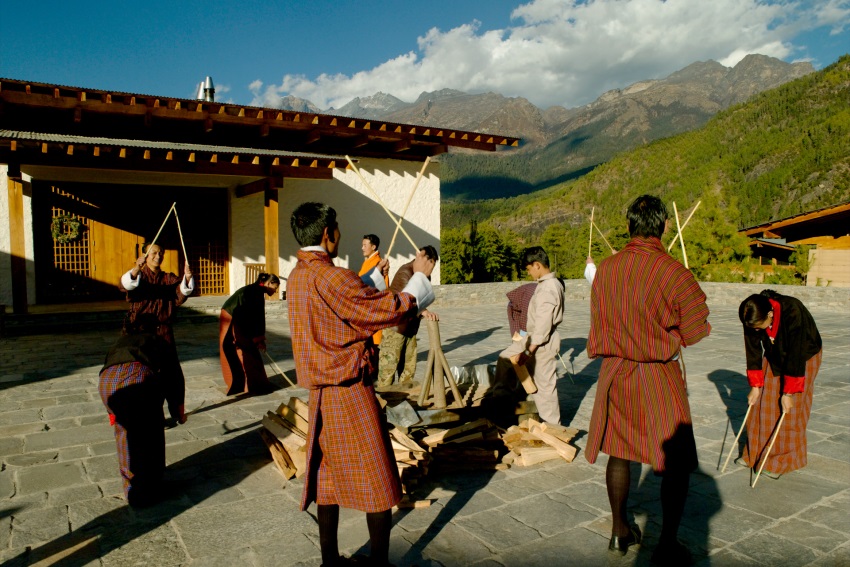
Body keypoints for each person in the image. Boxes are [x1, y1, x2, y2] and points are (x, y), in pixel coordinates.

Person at [287, 202, 435, 567]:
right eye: (336, 228)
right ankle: (380, 564)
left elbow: (340, 305)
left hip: (321, 394)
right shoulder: (333, 277)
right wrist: (418, 278)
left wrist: (368, 280)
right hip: (349, 390)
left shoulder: (298, 276)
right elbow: (382, 310)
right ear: (328, 234)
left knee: (327, 479)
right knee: (377, 478)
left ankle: (329, 561)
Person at [585, 195, 711, 565]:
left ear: (628, 227)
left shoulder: (605, 269)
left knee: (619, 450)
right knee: (675, 459)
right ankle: (667, 542)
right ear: (665, 227)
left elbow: (601, 317)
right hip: (658, 374)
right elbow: (695, 330)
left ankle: (619, 530)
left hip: (615, 372)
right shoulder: (675, 272)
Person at [737, 290, 822, 478]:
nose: (757, 331)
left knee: (789, 410)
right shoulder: (749, 313)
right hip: (775, 354)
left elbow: (795, 352)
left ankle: (781, 460)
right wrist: (755, 385)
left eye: (760, 327)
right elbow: (752, 349)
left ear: (770, 314)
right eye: (754, 328)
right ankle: (755, 454)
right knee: (761, 404)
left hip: (803, 356)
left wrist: (788, 392)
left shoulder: (793, 310)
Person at [99, 314, 168, 507]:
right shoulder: (156, 340)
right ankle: (150, 485)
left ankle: (130, 489)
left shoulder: (120, 342)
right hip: (137, 378)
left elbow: (107, 367)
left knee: (124, 432)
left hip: (107, 384)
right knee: (151, 429)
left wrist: (111, 411)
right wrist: (177, 408)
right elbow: (172, 375)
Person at [120, 243, 194, 424]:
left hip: (163, 333)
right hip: (139, 333)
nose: (158, 256)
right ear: (145, 255)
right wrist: (136, 268)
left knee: (171, 375)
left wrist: (187, 278)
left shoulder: (168, 278)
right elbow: (125, 286)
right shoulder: (139, 277)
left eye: (161, 253)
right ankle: (142, 414)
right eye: (153, 253)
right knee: (141, 374)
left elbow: (181, 292)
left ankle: (177, 412)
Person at [496, 247, 565, 425]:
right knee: (505, 358)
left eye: (528, 269)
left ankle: (552, 429)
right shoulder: (545, 285)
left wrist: (529, 351)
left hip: (542, 342)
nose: (529, 273)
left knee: (545, 389)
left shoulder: (549, 287)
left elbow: (543, 324)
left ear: (537, 265)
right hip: (532, 338)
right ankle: (506, 402)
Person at [377, 246, 440, 388]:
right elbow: (408, 299)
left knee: (408, 372)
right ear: (426, 260)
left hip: (410, 330)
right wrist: (424, 311)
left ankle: (406, 400)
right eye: (432, 264)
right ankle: (385, 403)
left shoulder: (424, 275)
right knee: (388, 370)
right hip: (395, 330)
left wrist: (424, 310)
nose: (432, 268)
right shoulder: (406, 271)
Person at [219, 273, 281, 396]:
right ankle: (248, 385)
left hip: (242, 319)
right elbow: (256, 318)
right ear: (268, 283)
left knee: (249, 349)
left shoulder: (257, 290)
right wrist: (258, 339)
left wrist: (259, 338)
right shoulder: (255, 292)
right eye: (275, 287)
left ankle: (252, 383)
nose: (275, 291)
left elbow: (256, 317)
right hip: (233, 317)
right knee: (245, 350)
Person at [359, 234, 388, 346]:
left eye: (365, 245)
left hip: (373, 308)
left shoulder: (377, 263)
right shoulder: (368, 262)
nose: (362, 248)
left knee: (375, 343)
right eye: (362, 245)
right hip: (365, 308)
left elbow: (382, 287)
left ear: (373, 247)